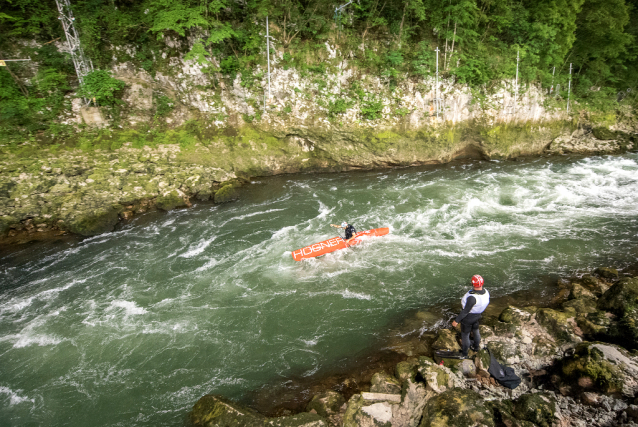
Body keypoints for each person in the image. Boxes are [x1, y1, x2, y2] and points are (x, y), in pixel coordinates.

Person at [452, 275, 490, 358]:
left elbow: (465, 311)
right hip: (478, 315)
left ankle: (464, 353)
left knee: (465, 335)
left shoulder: (472, 298)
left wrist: (456, 320)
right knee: (476, 331)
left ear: (472, 284)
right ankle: (476, 348)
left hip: (468, 318)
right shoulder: (486, 292)